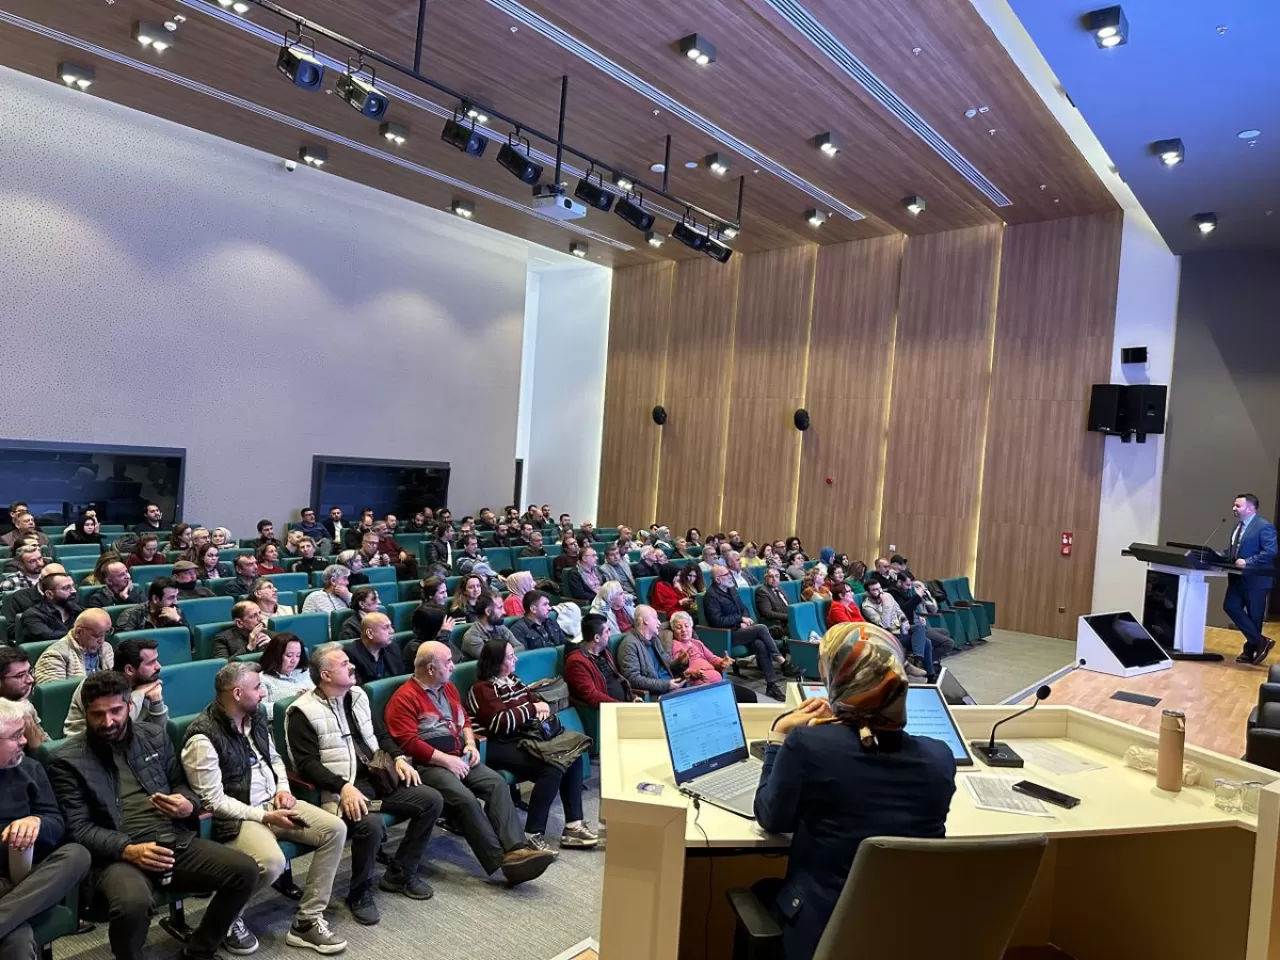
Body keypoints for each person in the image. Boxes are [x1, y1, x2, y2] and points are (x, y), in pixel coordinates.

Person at [752, 622, 957, 960]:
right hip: (908, 935)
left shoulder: (807, 745)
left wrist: (778, 737)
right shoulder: (940, 756)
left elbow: (771, 817)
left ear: (839, 680)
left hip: (823, 933)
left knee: (762, 892)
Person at [49, 670, 259, 960]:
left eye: (115, 711)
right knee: (132, 903)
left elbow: (180, 784)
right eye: (97, 714)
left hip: (168, 838)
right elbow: (78, 828)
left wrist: (187, 804)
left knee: (244, 871)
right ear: (85, 712)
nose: (107, 722)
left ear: (130, 706)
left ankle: (199, 951)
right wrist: (128, 850)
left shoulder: (154, 736)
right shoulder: (67, 760)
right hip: (114, 855)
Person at [180, 662, 348, 954]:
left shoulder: (255, 716)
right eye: (257, 687)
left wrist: (283, 790)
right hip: (240, 817)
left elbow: (275, 759)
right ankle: (228, 917)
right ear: (237, 693)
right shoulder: (202, 737)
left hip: (273, 803)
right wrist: (265, 816)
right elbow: (213, 801)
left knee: (334, 829)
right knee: (271, 862)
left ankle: (307, 921)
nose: (263, 693)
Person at [286, 643, 442, 924]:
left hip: (378, 779)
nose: (352, 666)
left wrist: (398, 758)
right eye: (344, 664)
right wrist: (343, 787)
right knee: (370, 824)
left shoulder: (358, 695)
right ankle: (359, 893)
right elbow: (307, 764)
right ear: (326, 675)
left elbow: (380, 735)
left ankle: (400, 874)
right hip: (341, 790)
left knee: (431, 799)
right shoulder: (302, 712)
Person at [384, 641, 556, 885]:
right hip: (427, 766)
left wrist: (471, 744)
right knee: (465, 799)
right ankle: (502, 862)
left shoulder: (448, 688)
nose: (453, 666)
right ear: (431, 668)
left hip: (460, 756)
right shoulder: (404, 698)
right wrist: (447, 761)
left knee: (496, 783)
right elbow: (408, 743)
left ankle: (517, 848)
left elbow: (464, 720)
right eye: (448, 662)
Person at [467, 639, 597, 851]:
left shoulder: (513, 680)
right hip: (495, 744)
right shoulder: (482, 689)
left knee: (571, 756)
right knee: (553, 765)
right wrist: (532, 709)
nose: (515, 659)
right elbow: (501, 722)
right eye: (510, 657)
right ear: (496, 662)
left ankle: (574, 826)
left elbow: (534, 701)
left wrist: (534, 707)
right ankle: (533, 833)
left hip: (523, 738)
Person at [0, 698, 92, 959]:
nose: (24, 741)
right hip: (13, 883)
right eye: (15, 736)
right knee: (17, 944)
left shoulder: (31, 769)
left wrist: (36, 822)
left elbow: (57, 823)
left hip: (33, 874)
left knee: (77, 854)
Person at [704, 565, 792, 700]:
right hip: (726, 634)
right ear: (718, 579)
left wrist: (743, 620)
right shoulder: (710, 596)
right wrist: (740, 619)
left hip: (740, 630)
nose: (730, 576)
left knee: (760, 644)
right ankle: (782, 661)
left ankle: (772, 686)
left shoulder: (731, 589)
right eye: (727, 575)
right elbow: (717, 621)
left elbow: (744, 609)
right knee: (761, 628)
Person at [63, 637, 167, 737]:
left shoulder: (146, 685)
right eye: (151, 663)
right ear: (129, 670)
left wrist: (156, 700)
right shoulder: (98, 686)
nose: (158, 666)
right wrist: (139, 693)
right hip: (87, 744)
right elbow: (115, 726)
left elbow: (158, 735)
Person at [1225, 493, 1278, 664]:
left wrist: (1248, 561)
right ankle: (1261, 641)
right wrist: (1221, 555)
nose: (1234, 508)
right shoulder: (1237, 526)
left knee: (1255, 617)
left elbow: (1270, 551)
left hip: (1257, 579)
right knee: (1230, 606)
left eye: (1238, 506)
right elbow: (1235, 550)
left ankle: (1249, 651)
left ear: (1250, 509)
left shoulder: (1264, 527)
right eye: (1234, 505)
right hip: (1237, 577)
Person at [862, 580, 933, 680]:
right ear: (868, 593)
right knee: (926, 642)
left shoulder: (888, 595)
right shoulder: (867, 606)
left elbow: (899, 612)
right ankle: (929, 673)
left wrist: (905, 622)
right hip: (890, 634)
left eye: (880, 588)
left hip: (901, 628)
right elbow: (884, 625)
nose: (879, 591)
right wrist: (886, 605)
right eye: (874, 590)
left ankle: (918, 661)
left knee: (919, 626)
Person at [564, 613, 635, 708]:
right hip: (603, 712)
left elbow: (617, 680)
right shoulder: (576, 662)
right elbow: (592, 696)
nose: (610, 634)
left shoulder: (604, 653)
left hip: (621, 706)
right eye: (607, 631)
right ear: (596, 638)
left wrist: (632, 698)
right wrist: (624, 707)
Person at [617, 606, 684, 697]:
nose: (659, 622)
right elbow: (633, 679)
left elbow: (667, 664)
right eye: (656, 618)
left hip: (671, 687)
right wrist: (667, 685)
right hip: (658, 694)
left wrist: (681, 663)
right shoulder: (629, 645)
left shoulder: (654, 639)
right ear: (645, 620)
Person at [1, 563, 65, 644]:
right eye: (56, 582)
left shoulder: (70, 596)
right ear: (41, 581)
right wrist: (33, 628)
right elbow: (9, 628)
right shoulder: (18, 598)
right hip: (35, 642)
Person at [668, 611, 734, 686]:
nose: (683, 630)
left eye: (686, 626)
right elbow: (678, 667)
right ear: (673, 630)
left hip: (714, 678)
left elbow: (711, 658)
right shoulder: (675, 644)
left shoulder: (697, 643)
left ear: (691, 628)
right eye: (679, 627)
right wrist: (692, 672)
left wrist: (721, 662)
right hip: (698, 680)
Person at [900, 571, 955, 659]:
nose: (909, 588)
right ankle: (926, 661)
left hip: (920, 624)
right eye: (908, 585)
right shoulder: (913, 598)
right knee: (949, 643)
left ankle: (930, 659)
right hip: (916, 627)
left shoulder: (918, 598)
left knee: (945, 632)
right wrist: (919, 597)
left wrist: (929, 597)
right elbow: (907, 610)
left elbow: (934, 609)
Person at [21, 572, 83, 644]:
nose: (74, 591)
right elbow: (48, 636)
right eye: (66, 588)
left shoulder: (78, 610)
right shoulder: (33, 615)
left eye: (73, 586)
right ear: (49, 594)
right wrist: (81, 634)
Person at [258, 632, 315, 709]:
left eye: (298, 655)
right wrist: (293, 701)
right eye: (289, 655)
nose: (294, 660)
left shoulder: (305, 672)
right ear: (275, 655)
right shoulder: (263, 680)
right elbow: (262, 710)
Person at [461, 593, 521, 661]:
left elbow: (520, 647)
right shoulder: (471, 637)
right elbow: (491, 659)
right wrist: (509, 653)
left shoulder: (501, 628)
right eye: (500, 608)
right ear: (488, 611)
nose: (504, 612)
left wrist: (507, 654)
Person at [115, 577, 188, 633]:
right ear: (155, 598)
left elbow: (190, 643)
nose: (175, 602)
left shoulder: (176, 612)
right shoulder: (130, 615)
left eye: (176, 596)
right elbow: (125, 645)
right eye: (171, 598)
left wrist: (178, 621)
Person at [349, 612, 403, 684]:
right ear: (370, 633)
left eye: (391, 626)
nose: (392, 631)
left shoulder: (393, 648)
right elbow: (358, 687)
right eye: (386, 627)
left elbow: (400, 679)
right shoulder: (351, 655)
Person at [754, 566, 791, 641]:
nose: (774, 579)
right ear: (765, 578)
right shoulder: (762, 591)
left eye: (777, 576)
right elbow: (767, 613)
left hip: (789, 620)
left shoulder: (779, 588)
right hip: (779, 624)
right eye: (771, 576)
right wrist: (788, 616)